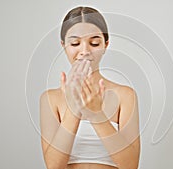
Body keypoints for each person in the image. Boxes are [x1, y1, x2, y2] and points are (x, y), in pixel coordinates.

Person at [40, 6, 140, 169]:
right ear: (64, 45)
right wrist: (74, 108)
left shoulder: (125, 95)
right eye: (75, 43)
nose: (85, 51)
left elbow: (131, 166)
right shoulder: (50, 99)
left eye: (94, 43)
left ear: (106, 44)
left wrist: (95, 114)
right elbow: (53, 166)